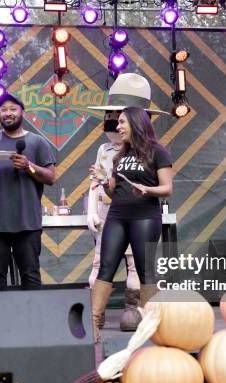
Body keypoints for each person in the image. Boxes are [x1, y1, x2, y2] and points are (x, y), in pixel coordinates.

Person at [89, 104, 173, 341]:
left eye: (122, 122)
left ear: (136, 123)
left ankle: (150, 328)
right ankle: (94, 325)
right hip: (116, 216)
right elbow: (114, 192)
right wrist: (104, 181)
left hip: (145, 217)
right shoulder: (120, 155)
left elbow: (167, 188)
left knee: (146, 272)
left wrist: (147, 188)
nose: (118, 127)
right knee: (106, 268)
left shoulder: (158, 152)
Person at [0, 94, 56, 291]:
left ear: (22, 113)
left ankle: (32, 320)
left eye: (13, 109)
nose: (8, 113)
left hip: (27, 223)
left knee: (31, 276)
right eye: (4, 109)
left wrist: (29, 166)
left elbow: (51, 178)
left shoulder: (38, 142)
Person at [87, 110, 141, 332]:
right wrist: (91, 210)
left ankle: (133, 311)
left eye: (119, 118)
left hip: (130, 206)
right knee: (100, 262)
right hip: (105, 208)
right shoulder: (103, 149)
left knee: (134, 264)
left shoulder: (140, 150)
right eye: (110, 117)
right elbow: (94, 181)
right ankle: (95, 315)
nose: (113, 123)